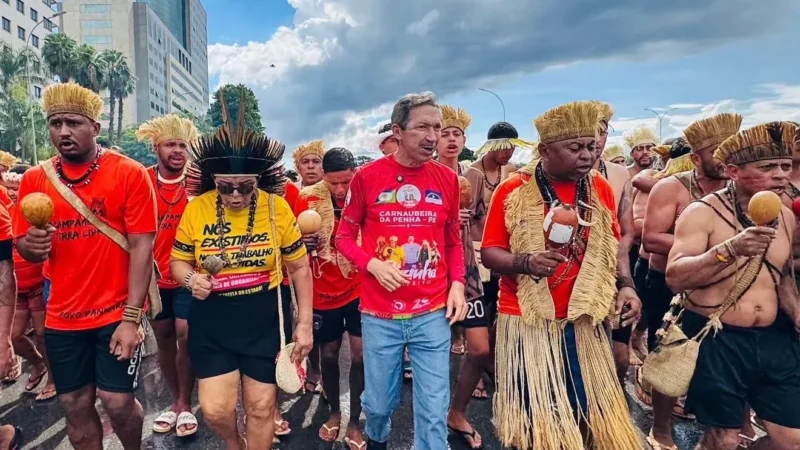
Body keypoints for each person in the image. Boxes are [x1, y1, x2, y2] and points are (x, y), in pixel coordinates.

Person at [482, 100, 641, 450]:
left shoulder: (599, 188)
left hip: (583, 319)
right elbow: (490, 253)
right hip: (529, 321)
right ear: (544, 151)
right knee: (535, 420)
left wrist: (626, 286)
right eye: (575, 148)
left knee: (584, 413)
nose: (587, 155)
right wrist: (525, 262)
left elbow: (613, 246)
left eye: (590, 146)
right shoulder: (513, 190)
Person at [14, 83, 156, 450]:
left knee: (118, 402)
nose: (63, 132)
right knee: (74, 405)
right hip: (62, 316)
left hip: (115, 311)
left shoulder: (129, 173)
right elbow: (24, 249)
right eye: (55, 123)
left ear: (94, 126)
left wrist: (130, 318)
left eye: (73, 122)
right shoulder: (34, 180)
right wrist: (32, 246)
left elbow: (142, 246)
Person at [171, 103, 314, 450]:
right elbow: (178, 263)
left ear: (259, 181)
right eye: (226, 187)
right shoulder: (197, 207)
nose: (236, 195)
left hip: (264, 316)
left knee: (262, 406)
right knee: (216, 409)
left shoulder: (275, 207)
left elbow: (299, 268)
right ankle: (236, 444)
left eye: (245, 187)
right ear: (213, 181)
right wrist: (192, 282)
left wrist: (305, 324)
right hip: (213, 319)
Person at [336, 91, 467, 450]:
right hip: (380, 315)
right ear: (397, 131)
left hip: (432, 312)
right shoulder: (367, 177)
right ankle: (377, 438)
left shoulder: (448, 180)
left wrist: (457, 284)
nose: (432, 137)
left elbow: (453, 241)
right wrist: (373, 264)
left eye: (437, 128)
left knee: (433, 407)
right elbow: (343, 237)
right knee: (378, 404)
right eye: (422, 127)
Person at [667, 121, 800, 450]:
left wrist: (797, 314)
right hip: (716, 340)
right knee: (723, 440)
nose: (781, 175)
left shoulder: (785, 216)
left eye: (785, 166)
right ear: (732, 171)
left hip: (772, 340)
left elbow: (780, 276)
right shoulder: (702, 212)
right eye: (767, 167)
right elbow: (675, 277)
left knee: (793, 440)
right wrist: (729, 250)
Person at [642, 113, 741, 449]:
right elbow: (651, 240)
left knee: (722, 362)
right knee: (669, 361)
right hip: (668, 285)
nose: (727, 158)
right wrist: (708, 247)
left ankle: (723, 428)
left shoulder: (741, 190)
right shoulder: (672, 187)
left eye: (732, 149)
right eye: (718, 151)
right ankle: (661, 428)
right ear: (696, 157)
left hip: (723, 290)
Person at [294, 147, 365, 450]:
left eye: (345, 182)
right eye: (333, 182)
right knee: (329, 356)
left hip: (361, 287)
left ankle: (355, 421)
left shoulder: (365, 192)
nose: (339, 189)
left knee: (362, 356)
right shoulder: (306, 197)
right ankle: (335, 411)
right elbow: (291, 245)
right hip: (322, 290)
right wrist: (302, 241)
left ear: (354, 175)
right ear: (323, 176)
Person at [135, 115, 200, 437]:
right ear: (155, 147)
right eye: (170, 144)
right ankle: (176, 398)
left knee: (185, 334)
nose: (178, 151)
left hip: (191, 274)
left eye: (182, 145)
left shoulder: (199, 182)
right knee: (163, 339)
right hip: (154, 279)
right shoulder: (140, 180)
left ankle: (185, 403)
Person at [435, 105, 489, 449]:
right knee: (435, 352)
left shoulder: (475, 177)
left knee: (481, 349)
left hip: (468, 268)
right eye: (445, 133)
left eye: (457, 134)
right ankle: (432, 416)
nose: (451, 139)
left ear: (465, 140)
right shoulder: (424, 175)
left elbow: (482, 223)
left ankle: (456, 411)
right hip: (434, 270)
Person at [1, 165, 55, 401]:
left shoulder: (37, 211)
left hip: (37, 285)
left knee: (43, 333)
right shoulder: (5, 210)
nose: (13, 193)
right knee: (12, 336)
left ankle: (54, 380)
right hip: (15, 291)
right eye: (9, 188)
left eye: (17, 189)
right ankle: (38, 363)